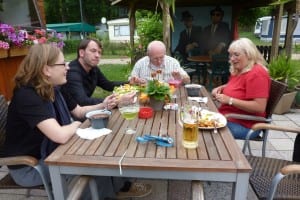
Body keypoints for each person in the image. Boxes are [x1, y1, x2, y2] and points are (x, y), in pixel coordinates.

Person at [4, 44, 151, 199]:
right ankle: (107, 193)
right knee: (93, 164)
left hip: (52, 152)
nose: (68, 67)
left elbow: (79, 111)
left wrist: (104, 105)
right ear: (46, 70)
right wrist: (75, 124)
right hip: (30, 167)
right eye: (63, 64)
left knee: (103, 152)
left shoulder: (55, 88)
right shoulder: (27, 96)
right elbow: (60, 135)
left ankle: (117, 189)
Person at [211, 38, 271, 139]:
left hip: (246, 125)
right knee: (196, 119)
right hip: (230, 118)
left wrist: (230, 100)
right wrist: (221, 87)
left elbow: (259, 107)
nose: (232, 59)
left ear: (249, 54)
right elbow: (240, 86)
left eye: (236, 55)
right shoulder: (241, 70)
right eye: (230, 55)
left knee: (204, 129)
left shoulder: (257, 73)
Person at [61, 38, 127, 106]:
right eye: (93, 51)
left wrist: (130, 83)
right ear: (81, 53)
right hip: (72, 114)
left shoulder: (93, 69)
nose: (97, 55)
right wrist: (116, 100)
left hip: (86, 110)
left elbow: (108, 85)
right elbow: (82, 101)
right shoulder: (72, 72)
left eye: (99, 52)